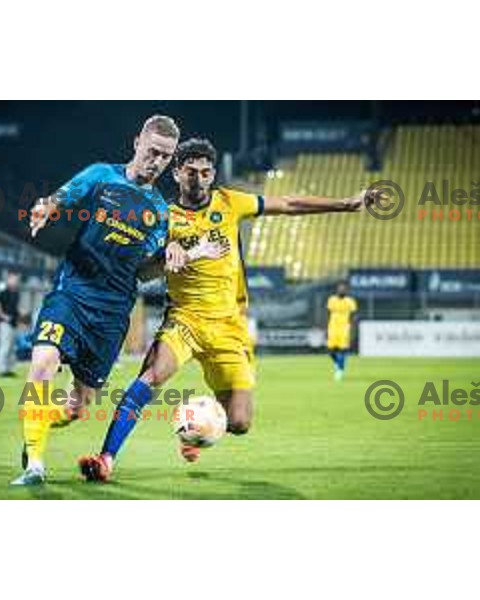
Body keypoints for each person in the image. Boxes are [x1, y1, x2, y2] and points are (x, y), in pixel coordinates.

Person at [79, 137, 378, 481]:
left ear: (213, 173)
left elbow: (289, 203)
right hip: (184, 321)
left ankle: (195, 429)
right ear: (176, 173)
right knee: (149, 378)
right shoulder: (162, 216)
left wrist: (346, 203)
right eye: (191, 172)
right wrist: (165, 257)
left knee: (239, 422)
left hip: (228, 326)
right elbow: (140, 272)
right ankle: (106, 459)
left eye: (206, 172)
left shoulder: (230, 202)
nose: (199, 179)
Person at [10, 116, 225, 486]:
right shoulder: (101, 176)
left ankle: (39, 421)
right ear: (136, 142)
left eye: (165, 156)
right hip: (72, 293)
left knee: (79, 407)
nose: (156, 160)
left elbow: (144, 272)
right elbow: (62, 197)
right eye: (152, 150)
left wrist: (183, 253)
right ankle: (35, 463)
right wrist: (45, 207)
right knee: (44, 361)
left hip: (112, 312)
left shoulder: (160, 212)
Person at [327, 281, 358, 381]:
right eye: (340, 288)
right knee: (331, 351)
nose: (341, 290)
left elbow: (353, 316)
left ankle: (340, 371)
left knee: (342, 351)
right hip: (332, 328)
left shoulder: (350, 302)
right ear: (337, 290)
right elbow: (328, 313)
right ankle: (337, 363)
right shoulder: (331, 300)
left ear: (346, 290)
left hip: (344, 329)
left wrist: (352, 328)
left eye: (343, 289)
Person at [0, 272, 20, 377]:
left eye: (16, 280)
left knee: (12, 347)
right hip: (5, 323)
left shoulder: (16, 293)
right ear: (8, 280)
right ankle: (1, 369)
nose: (16, 281)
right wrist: (3, 316)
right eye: (13, 279)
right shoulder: (4, 291)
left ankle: (9, 369)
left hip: (14, 323)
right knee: (5, 346)